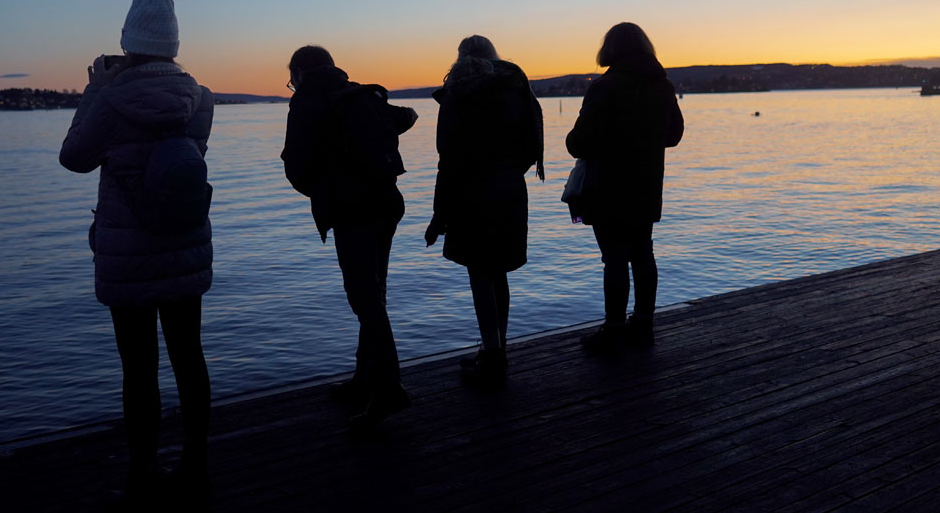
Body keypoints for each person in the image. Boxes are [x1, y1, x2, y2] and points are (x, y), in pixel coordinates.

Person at [59, 0, 214, 513]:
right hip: (185, 240)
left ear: (128, 40)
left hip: (129, 251)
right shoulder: (201, 98)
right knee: (189, 356)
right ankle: (196, 461)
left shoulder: (112, 97)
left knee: (139, 367)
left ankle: (144, 471)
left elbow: (74, 157)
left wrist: (97, 87)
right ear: (173, 42)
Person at [280, 45, 418, 432]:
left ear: (301, 73)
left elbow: (296, 167)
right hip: (387, 201)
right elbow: (406, 115)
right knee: (374, 292)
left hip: (352, 209)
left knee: (364, 297)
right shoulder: (360, 93)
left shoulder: (307, 102)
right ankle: (364, 379)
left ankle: (387, 386)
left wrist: (324, 189)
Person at [424, 36, 544, 385]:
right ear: (494, 56)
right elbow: (529, 144)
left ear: (459, 59)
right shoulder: (514, 88)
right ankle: (496, 349)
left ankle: (492, 356)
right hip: (509, 188)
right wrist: (508, 172)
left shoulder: (457, 93)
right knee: (499, 271)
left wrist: (438, 214)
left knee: (480, 273)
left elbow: (447, 156)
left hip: (469, 191)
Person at [565, 22, 683, 352]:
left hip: (608, 188)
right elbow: (673, 136)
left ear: (610, 50)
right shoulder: (662, 85)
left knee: (614, 258)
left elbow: (578, 142)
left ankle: (614, 330)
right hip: (646, 185)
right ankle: (644, 326)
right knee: (643, 253)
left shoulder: (605, 87)